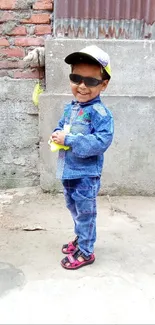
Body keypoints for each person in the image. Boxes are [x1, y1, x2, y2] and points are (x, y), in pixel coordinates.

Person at [51, 45, 114, 270]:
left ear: (103, 84)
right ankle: (81, 238)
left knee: (86, 213)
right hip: (68, 170)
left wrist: (69, 140)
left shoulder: (101, 114)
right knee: (74, 209)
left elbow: (101, 142)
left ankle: (86, 251)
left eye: (91, 81)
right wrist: (57, 134)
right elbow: (63, 127)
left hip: (86, 175)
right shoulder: (71, 108)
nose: (82, 86)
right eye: (76, 78)